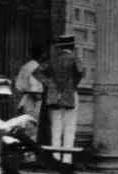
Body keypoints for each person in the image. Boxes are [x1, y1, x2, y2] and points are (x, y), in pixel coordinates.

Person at [34, 35, 84, 163]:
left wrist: (50, 84)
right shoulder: (75, 58)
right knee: (70, 127)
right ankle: (67, 159)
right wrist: (73, 85)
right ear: (72, 46)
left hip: (54, 95)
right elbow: (80, 72)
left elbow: (36, 72)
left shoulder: (52, 60)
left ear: (60, 47)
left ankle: (55, 157)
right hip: (70, 94)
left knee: (55, 128)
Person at [15, 45, 45, 140]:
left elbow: (18, 85)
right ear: (41, 56)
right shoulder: (37, 67)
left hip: (25, 99)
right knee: (33, 127)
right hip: (35, 100)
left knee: (26, 126)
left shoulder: (25, 66)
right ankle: (31, 151)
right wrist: (39, 99)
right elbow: (34, 87)